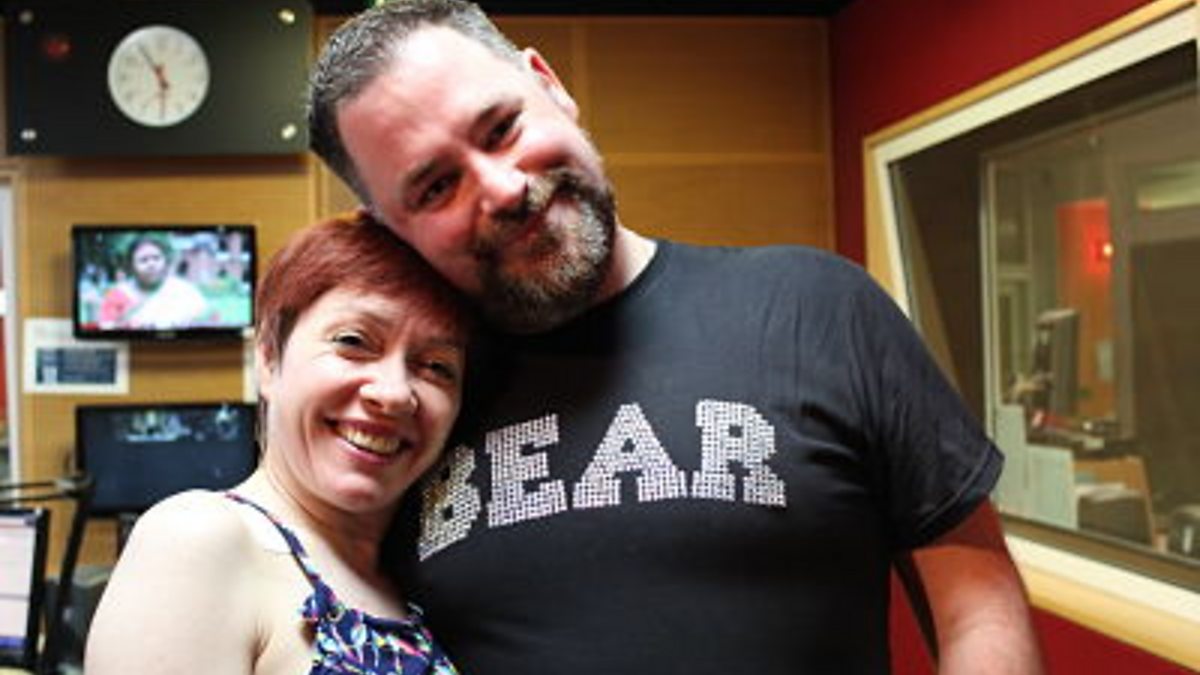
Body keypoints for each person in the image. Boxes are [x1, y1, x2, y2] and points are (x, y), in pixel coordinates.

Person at [307, 2, 1046, 672]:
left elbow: (977, 605)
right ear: (388, 228)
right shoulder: (402, 416)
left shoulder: (818, 307)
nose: (502, 189)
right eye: (436, 186)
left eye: (502, 129)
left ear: (549, 84)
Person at [84, 213, 470, 674]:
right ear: (268, 358)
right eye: (354, 341)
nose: (394, 393)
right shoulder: (199, 540)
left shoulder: (412, 577)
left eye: (437, 367)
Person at [97, 235, 211, 329]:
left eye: (156, 258)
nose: (151, 264)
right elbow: (107, 329)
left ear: (166, 261)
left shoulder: (185, 291)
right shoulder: (119, 294)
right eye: (143, 260)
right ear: (131, 266)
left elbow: (205, 322)